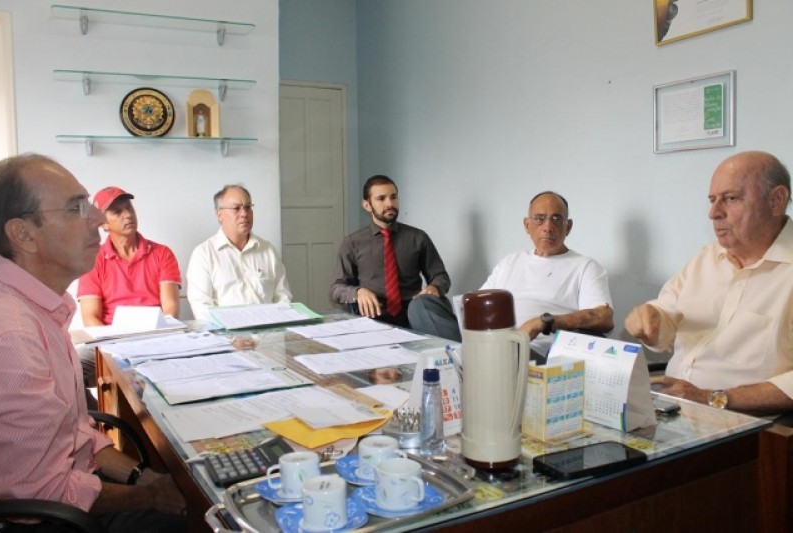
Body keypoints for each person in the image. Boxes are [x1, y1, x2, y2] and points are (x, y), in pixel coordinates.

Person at [0, 154, 185, 531]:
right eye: (76, 207)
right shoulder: (11, 335)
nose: (98, 219)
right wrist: (151, 495)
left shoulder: (42, 306)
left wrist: (141, 476)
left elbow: (73, 433)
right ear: (23, 234)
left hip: (68, 492)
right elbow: (44, 494)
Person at [625, 151, 793, 417]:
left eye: (730, 198)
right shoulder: (705, 258)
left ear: (776, 200)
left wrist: (711, 398)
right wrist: (651, 323)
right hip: (669, 412)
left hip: (747, 426)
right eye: (713, 200)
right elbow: (666, 318)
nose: (714, 213)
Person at [480, 191, 614, 360]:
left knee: (499, 357)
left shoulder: (585, 267)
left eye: (556, 219)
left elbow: (604, 317)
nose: (548, 227)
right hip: (496, 344)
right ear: (527, 225)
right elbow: (478, 306)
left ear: (568, 227)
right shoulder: (509, 262)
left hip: (540, 354)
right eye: (539, 219)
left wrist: (543, 322)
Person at [331, 175, 461, 341]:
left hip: (413, 316)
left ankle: (463, 352)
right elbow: (336, 289)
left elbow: (440, 276)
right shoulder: (352, 242)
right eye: (381, 199)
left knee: (429, 311)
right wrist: (358, 292)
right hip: (374, 317)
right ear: (367, 205)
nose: (389, 204)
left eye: (393, 197)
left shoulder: (418, 238)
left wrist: (434, 287)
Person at [77, 186, 181, 326]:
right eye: (117, 212)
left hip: (157, 332)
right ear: (103, 223)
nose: (127, 214)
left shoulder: (162, 253)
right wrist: (112, 340)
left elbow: (171, 308)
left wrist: (159, 335)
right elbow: (91, 317)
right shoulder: (92, 260)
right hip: (111, 335)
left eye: (129, 207)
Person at [187, 184, 292, 321]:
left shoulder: (268, 251)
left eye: (248, 207)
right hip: (225, 332)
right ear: (219, 215)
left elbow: (283, 297)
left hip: (268, 329)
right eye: (236, 208)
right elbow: (201, 307)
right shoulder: (204, 254)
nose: (244, 214)